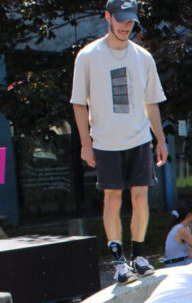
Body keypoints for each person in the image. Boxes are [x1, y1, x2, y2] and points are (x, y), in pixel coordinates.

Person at [71, 0, 168, 284]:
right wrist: (85, 143)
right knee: (112, 199)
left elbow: (152, 102)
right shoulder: (88, 56)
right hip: (105, 141)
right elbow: (79, 104)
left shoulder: (143, 57)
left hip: (139, 139)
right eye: (121, 20)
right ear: (108, 18)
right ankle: (118, 261)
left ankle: (139, 256)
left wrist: (160, 139)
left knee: (140, 198)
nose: (126, 26)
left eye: (131, 21)